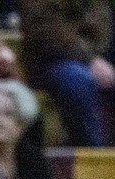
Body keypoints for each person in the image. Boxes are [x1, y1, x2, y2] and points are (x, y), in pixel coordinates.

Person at [19, 0, 113, 147]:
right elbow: (46, 34)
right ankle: (92, 153)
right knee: (76, 78)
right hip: (48, 61)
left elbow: (101, 30)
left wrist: (97, 59)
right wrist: (90, 59)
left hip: (91, 58)